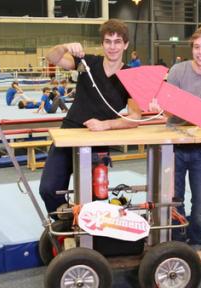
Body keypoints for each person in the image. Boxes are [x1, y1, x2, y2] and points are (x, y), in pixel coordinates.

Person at [39, 19, 141, 216]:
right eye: (108, 41)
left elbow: (136, 116)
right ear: (102, 43)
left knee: (95, 200)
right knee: (48, 189)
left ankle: (90, 236)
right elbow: (52, 57)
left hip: (98, 141)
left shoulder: (131, 76)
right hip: (69, 134)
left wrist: (106, 125)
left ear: (126, 45)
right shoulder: (87, 63)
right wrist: (66, 46)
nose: (112, 47)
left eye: (117, 41)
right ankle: (66, 221)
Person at [150, 25, 201, 265]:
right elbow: (166, 106)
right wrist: (158, 107)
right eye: (196, 47)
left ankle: (195, 246)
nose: (200, 52)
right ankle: (178, 246)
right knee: (174, 200)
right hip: (174, 146)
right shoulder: (178, 70)